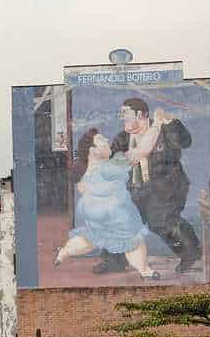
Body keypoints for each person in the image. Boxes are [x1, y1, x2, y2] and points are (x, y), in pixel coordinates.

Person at [109, 97, 201, 273]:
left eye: (126, 114)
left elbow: (186, 142)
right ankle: (115, 261)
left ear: (141, 115)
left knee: (161, 221)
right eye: (122, 114)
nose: (123, 118)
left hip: (167, 186)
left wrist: (171, 122)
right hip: (135, 188)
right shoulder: (122, 138)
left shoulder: (164, 130)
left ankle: (191, 252)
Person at [54, 128, 159, 280]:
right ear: (93, 150)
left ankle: (64, 252)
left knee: (92, 238)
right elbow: (143, 150)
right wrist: (157, 124)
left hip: (90, 209)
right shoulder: (111, 166)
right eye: (101, 140)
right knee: (132, 238)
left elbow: (83, 187)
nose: (107, 141)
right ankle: (145, 270)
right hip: (113, 210)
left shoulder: (86, 170)